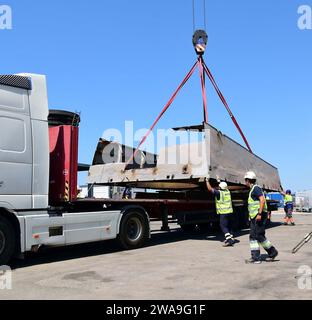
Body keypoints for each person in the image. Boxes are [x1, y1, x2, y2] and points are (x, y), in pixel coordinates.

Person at [244, 171, 279, 264]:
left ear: (248, 180)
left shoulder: (256, 188)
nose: (245, 182)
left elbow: (262, 200)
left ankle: (272, 252)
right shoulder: (253, 189)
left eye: (245, 180)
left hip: (259, 215)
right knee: (253, 235)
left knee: (258, 235)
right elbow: (252, 205)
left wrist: (259, 214)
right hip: (254, 216)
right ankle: (256, 257)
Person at [205, 178, 235, 247]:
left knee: (223, 226)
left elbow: (210, 189)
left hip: (224, 213)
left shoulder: (219, 193)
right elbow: (221, 186)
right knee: (229, 226)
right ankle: (231, 238)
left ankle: (229, 240)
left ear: (220, 188)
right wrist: (219, 180)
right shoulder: (228, 191)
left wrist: (207, 181)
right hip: (230, 212)